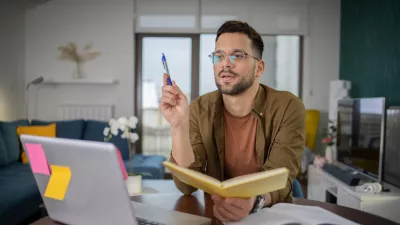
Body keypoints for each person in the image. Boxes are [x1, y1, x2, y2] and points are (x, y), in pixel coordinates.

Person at [160, 20, 305, 222]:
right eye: (219, 56)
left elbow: (281, 177)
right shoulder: (199, 109)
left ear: (259, 68)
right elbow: (186, 186)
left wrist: (253, 202)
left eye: (237, 55)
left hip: (269, 216)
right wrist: (178, 126)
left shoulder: (288, 106)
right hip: (217, 215)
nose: (225, 63)